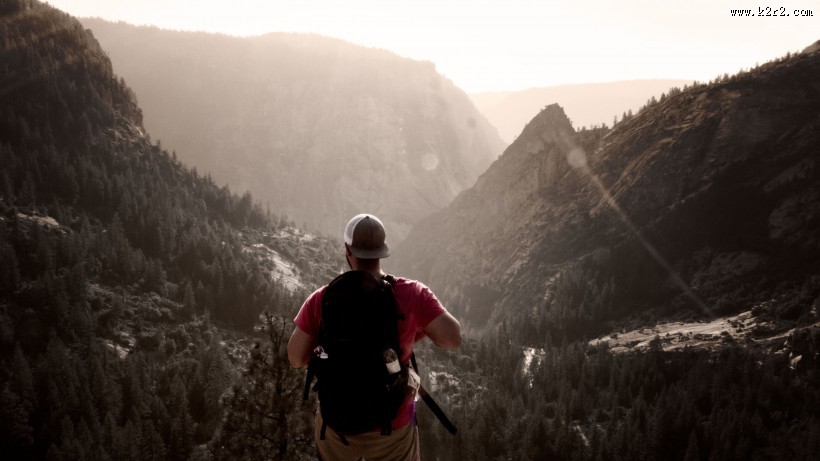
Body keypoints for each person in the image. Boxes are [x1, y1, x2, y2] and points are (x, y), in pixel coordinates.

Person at [288, 213, 461, 461]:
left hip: (338, 426)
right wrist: (412, 335)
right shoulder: (413, 294)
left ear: (347, 250)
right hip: (393, 427)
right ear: (382, 251)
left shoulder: (322, 299)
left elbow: (295, 358)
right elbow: (452, 338)